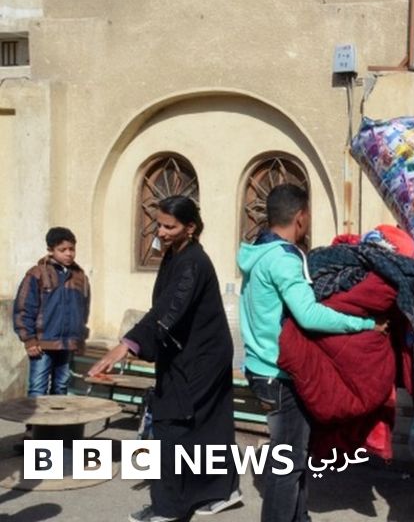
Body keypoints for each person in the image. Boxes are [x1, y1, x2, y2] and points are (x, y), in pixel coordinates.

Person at [89, 197, 241, 522]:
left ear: (190, 227)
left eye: (169, 226)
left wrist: (127, 345)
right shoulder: (175, 254)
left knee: (171, 423)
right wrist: (132, 341)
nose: (161, 232)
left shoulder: (193, 263)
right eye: (158, 224)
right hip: (192, 351)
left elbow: (168, 311)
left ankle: (168, 508)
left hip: (203, 357)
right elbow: (164, 308)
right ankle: (223, 490)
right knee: (206, 423)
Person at [237, 184, 381, 522]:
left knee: (293, 456)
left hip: (260, 367)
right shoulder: (284, 259)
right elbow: (309, 315)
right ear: (300, 218)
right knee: (288, 463)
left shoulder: (259, 250)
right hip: (280, 373)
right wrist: (364, 324)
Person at [14, 227, 90, 399]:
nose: (69, 253)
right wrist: (29, 340)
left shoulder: (80, 277)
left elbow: (83, 310)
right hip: (42, 344)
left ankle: (56, 418)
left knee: (61, 387)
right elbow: (24, 308)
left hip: (67, 344)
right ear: (50, 250)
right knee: (38, 388)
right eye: (62, 250)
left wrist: (80, 339)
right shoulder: (37, 274)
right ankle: (35, 418)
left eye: (72, 249)